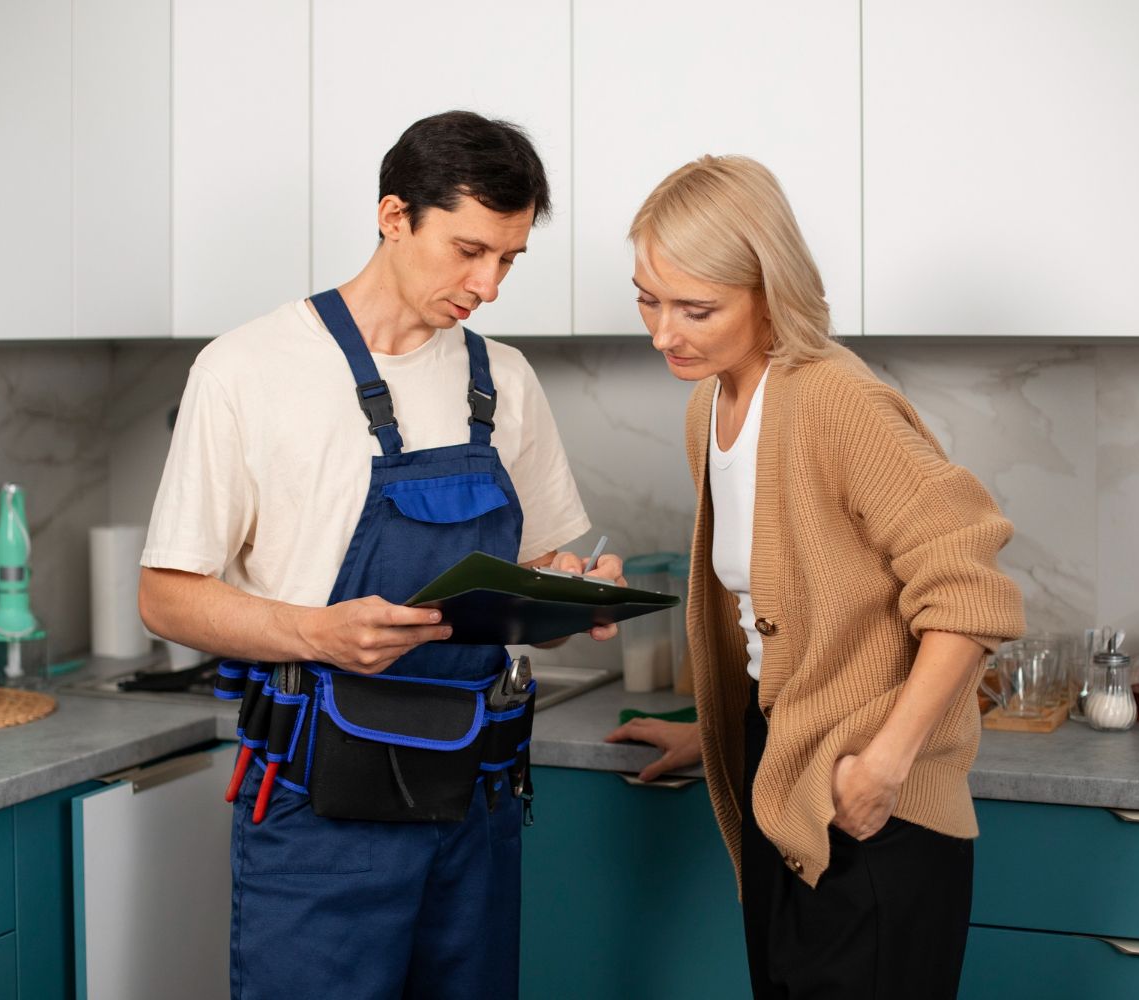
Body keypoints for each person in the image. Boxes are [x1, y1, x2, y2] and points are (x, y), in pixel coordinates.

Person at [138, 110, 621, 1000]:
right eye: (470, 251)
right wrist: (317, 634)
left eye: (509, 259)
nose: (490, 286)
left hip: (476, 804)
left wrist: (574, 596)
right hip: (318, 808)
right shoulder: (245, 370)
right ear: (394, 216)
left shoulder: (503, 379)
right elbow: (167, 597)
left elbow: (542, 565)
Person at [605, 155, 1025, 998]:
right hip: (785, 769)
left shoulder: (836, 401)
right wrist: (720, 730)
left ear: (771, 291)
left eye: (697, 309)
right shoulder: (711, 405)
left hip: (873, 795)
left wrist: (884, 765)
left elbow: (971, 596)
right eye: (648, 299)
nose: (663, 334)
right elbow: (776, 609)